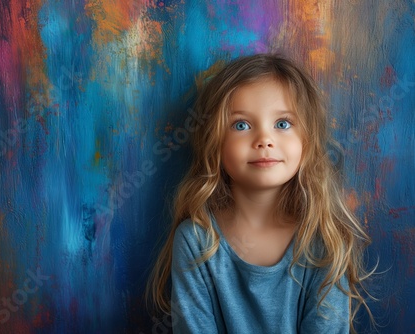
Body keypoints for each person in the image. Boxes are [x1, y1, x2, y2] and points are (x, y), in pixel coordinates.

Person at [147, 54, 374, 333]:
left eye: (282, 124)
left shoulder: (324, 240)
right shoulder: (196, 241)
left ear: (307, 139)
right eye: (241, 125)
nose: (264, 140)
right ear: (215, 142)